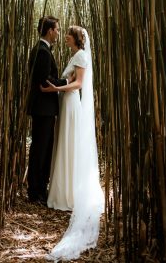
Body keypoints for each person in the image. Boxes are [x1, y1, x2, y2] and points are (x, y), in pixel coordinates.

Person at [40, 26, 104, 260]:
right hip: (66, 103)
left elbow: (78, 84)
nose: (64, 36)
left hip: (70, 102)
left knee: (69, 146)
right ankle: (63, 190)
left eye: (67, 34)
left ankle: (69, 194)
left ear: (76, 38)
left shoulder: (80, 55)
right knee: (64, 145)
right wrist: (58, 88)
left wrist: (57, 88)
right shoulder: (74, 54)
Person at [26, 16, 69, 205]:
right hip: (43, 108)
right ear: (50, 31)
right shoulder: (42, 51)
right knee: (40, 150)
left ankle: (38, 190)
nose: (58, 33)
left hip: (43, 108)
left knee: (42, 149)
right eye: (57, 29)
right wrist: (66, 82)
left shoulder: (40, 49)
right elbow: (46, 81)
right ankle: (36, 192)